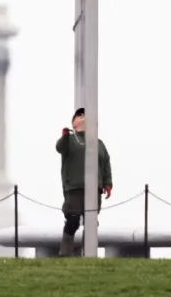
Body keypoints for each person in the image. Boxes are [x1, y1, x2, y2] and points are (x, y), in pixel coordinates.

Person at [55, 107, 113, 256]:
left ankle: (88, 254)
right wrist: (65, 136)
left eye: (86, 115)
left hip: (94, 189)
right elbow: (60, 147)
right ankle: (66, 253)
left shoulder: (99, 143)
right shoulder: (70, 139)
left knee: (91, 222)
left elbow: (105, 162)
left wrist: (108, 183)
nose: (83, 117)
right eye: (79, 115)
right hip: (74, 187)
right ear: (74, 123)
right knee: (73, 220)